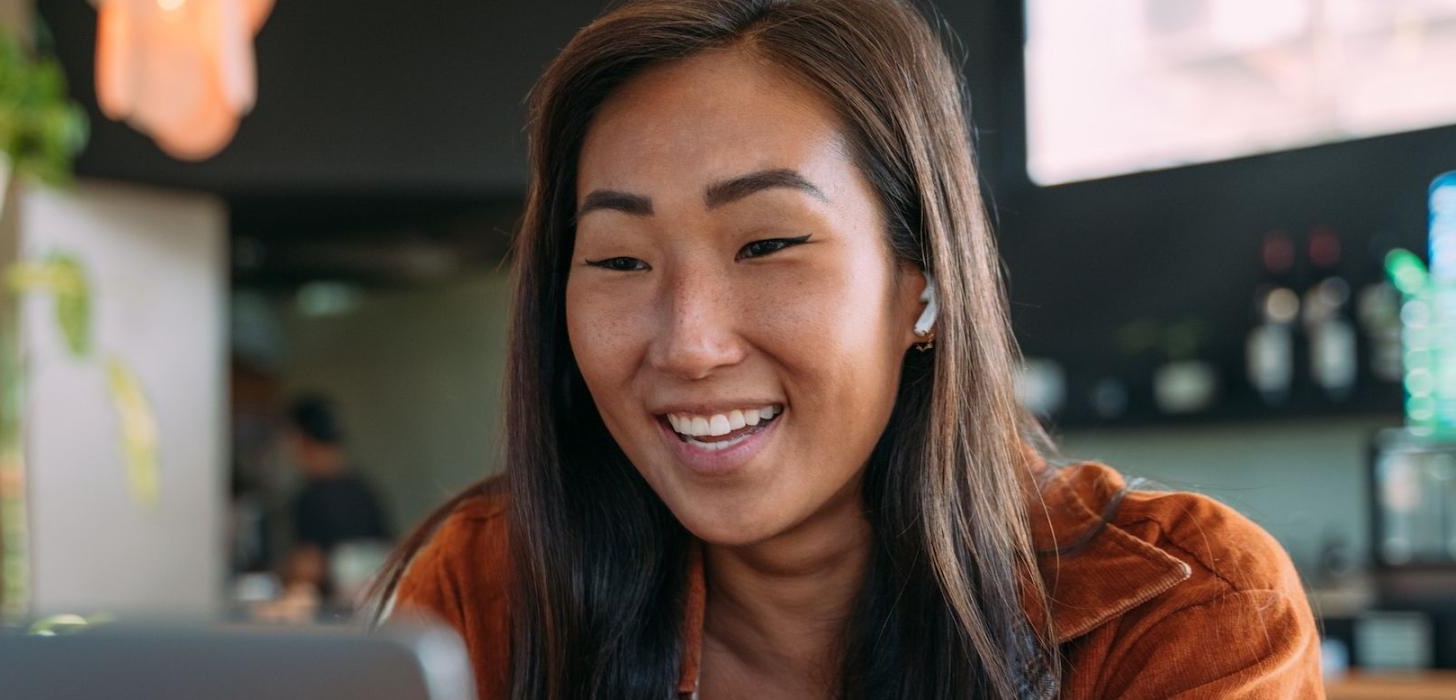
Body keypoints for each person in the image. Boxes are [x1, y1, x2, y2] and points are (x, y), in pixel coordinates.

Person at [372, 1, 1322, 698]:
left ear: (925, 284)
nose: (691, 343)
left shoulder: (1184, 610)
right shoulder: (488, 591)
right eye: (619, 259)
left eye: (769, 244)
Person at [265, 395, 390, 620]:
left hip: (333, 617)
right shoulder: (365, 490)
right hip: (372, 617)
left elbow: (309, 568)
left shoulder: (311, 497)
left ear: (300, 438)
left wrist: (277, 575)